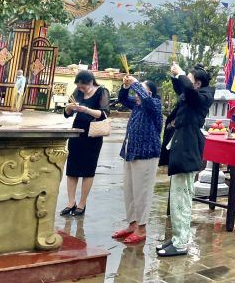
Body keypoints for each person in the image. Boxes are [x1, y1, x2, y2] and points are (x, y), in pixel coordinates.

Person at [157, 63, 213, 257]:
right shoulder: (193, 94)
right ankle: (177, 237)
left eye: (188, 79)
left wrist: (180, 74)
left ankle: (181, 243)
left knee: (182, 199)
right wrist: (176, 76)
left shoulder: (204, 96)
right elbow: (183, 89)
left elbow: (188, 91)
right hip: (182, 145)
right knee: (176, 197)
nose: (185, 82)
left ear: (197, 83)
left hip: (188, 147)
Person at [112, 76, 163, 245]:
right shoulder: (137, 104)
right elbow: (122, 98)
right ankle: (132, 224)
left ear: (148, 92)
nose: (136, 93)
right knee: (129, 191)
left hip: (147, 154)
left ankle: (142, 229)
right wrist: (126, 86)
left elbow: (147, 101)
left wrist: (135, 83)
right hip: (130, 152)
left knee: (142, 193)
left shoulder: (154, 104)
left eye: (140, 89)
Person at [60, 70, 110, 217]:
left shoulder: (102, 91)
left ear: (90, 82)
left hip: (93, 134)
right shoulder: (78, 91)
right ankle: (70, 202)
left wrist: (86, 109)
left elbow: (104, 113)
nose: (80, 89)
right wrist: (69, 107)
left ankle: (82, 203)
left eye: (83, 86)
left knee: (88, 170)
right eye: (79, 87)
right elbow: (67, 114)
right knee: (72, 168)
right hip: (77, 132)